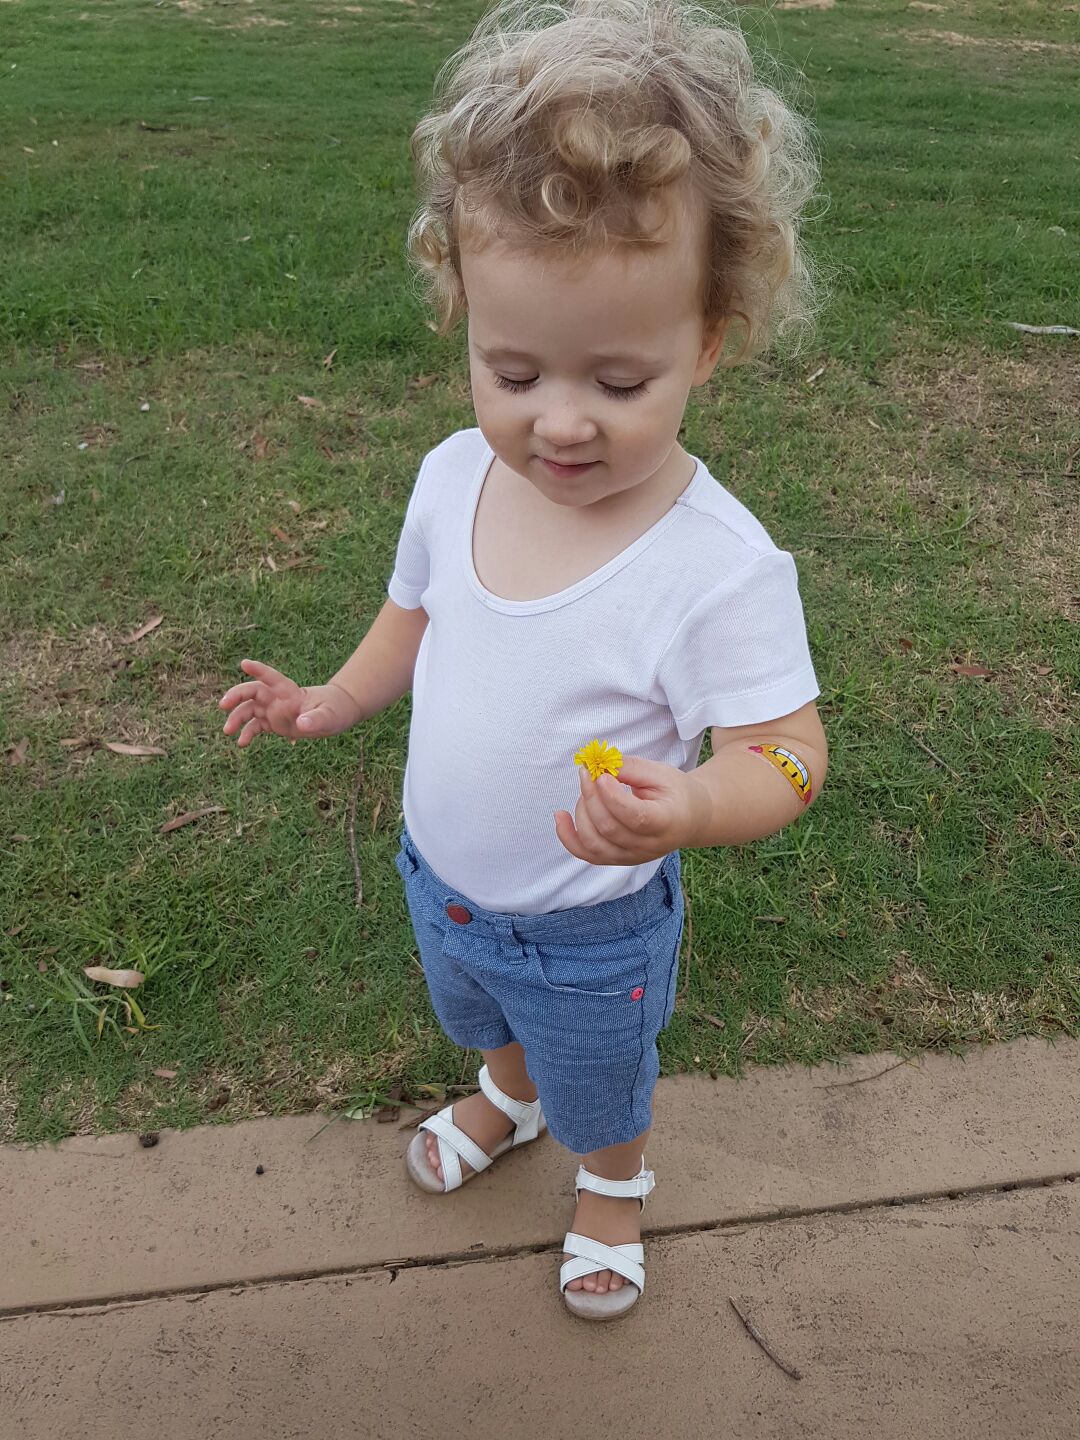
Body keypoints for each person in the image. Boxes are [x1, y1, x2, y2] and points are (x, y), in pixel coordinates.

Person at [219, 0, 828, 1320]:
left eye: (617, 383)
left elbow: (789, 753)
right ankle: (506, 1094)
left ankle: (610, 1184)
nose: (559, 423)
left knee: (600, 1072)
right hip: (442, 880)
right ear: (465, 321)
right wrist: (332, 698)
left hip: (590, 923)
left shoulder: (717, 568)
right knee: (483, 1016)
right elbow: (414, 618)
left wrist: (700, 802)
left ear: (707, 339)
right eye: (512, 373)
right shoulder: (453, 478)